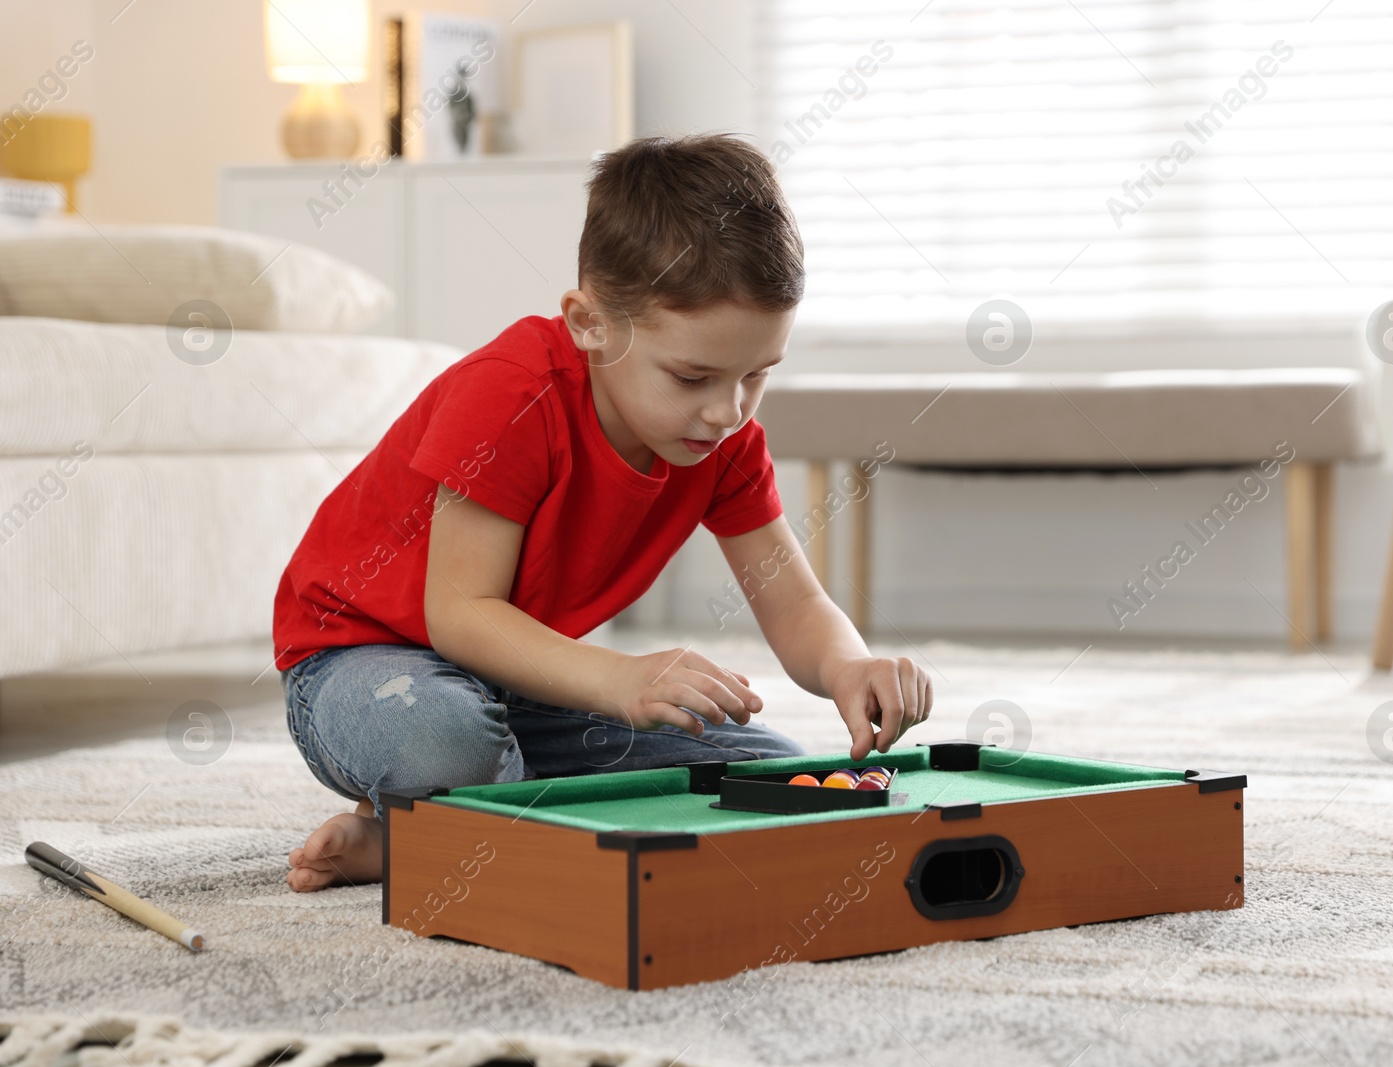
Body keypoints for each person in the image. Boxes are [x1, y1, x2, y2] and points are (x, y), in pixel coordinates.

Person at [272, 134, 933, 892]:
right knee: (442, 744)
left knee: (771, 776)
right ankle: (445, 817)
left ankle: (435, 828)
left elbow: (797, 605)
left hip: (519, 689)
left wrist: (850, 665)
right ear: (589, 322)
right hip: (361, 663)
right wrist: (624, 680)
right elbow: (459, 614)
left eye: (758, 374)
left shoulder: (724, 436)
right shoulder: (510, 395)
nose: (726, 410)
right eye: (693, 376)